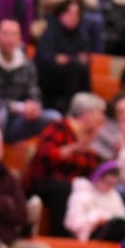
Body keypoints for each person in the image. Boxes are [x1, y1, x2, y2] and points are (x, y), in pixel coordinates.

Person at [27, 92, 105, 237]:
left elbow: (95, 169)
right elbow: (45, 156)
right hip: (45, 182)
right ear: (86, 113)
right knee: (64, 189)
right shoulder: (58, 127)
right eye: (99, 113)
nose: (102, 118)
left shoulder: (93, 136)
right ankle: (60, 238)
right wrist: (74, 148)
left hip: (76, 185)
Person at [0, 18, 62, 143]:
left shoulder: (26, 64)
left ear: (20, 37)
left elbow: (34, 92)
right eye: (6, 34)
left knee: (54, 117)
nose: (10, 39)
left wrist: (34, 107)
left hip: (20, 119)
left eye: (14, 34)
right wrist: (17, 107)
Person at [34, 0, 92, 116]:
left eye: (77, 14)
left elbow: (85, 60)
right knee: (75, 68)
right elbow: (46, 59)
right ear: (61, 14)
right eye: (69, 13)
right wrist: (71, 60)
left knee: (79, 70)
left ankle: (82, 108)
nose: (73, 17)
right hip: (51, 88)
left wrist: (66, 60)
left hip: (74, 85)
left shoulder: (81, 36)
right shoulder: (50, 33)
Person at [64, 160, 125, 242]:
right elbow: (71, 223)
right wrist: (95, 220)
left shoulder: (114, 195)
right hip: (90, 234)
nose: (108, 187)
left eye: (112, 184)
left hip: (114, 232)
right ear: (97, 177)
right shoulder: (82, 193)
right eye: (106, 182)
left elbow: (123, 216)